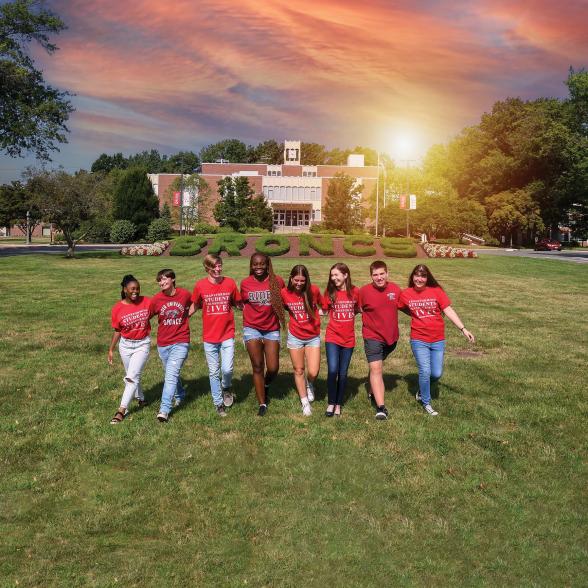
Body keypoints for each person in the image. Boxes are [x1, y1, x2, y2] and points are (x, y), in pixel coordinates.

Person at [398, 264, 475, 416]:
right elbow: (400, 306)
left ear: (427, 278)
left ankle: (422, 388)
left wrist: (463, 329)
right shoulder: (406, 294)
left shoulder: (436, 291)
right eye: (417, 275)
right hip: (418, 339)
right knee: (425, 371)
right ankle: (426, 402)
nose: (419, 279)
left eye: (423, 276)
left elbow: (448, 310)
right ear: (412, 276)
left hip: (438, 339)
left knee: (437, 373)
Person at [191, 254, 241, 417]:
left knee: (227, 369)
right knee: (213, 372)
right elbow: (196, 304)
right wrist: (183, 316)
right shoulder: (200, 286)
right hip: (209, 337)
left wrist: (254, 309)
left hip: (227, 333)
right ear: (207, 268)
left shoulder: (230, 283)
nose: (218, 269)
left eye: (220, 265)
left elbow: (237, 303)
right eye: (215, 266)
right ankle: (218, 403)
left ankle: (226, 387)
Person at [240, 253, 286, 416]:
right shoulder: (245, 283)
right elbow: (241, 303)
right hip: (251, 328)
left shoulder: (277, 281)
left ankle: (265, 384)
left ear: (268, 265)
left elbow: (285, 300)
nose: (258, 267)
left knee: (273, 368)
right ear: (251, 265)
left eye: (261, 264)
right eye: (255, 264)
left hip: (271, 328)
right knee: (258, 366)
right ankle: (262, 403)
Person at [358, 260, 402, 420]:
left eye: (381, 274)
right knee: (377, 369)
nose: (379, 277)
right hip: (372, 336)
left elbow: (406, 306)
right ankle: (381, 407)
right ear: (371, 276)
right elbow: (356, 308)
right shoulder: (363, 292)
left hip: (391, 338)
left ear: (387, 273)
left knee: (375, 367)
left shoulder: (395, 289)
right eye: (375, 275)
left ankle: (371, 384)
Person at [108, 274, 152, 424]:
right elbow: (117, 330)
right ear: (125, 289)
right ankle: (141, 399)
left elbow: (161, 309)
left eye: (138, 289)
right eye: (132, 289)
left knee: (132, 377)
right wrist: (111, 349)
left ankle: (121, 410)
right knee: (132, 375)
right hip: (125, 346)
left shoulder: (147, 302)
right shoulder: (117, 308)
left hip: (142, 344)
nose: (136, 291)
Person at [150, 269, 192, 423]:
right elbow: (146, 315)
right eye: (159, 280)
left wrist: (186, 315)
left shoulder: (185, 294)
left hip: (181, 341)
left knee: (170, 375)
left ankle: (164, 409)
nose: (161, 283)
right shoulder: (156, 300)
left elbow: (196, 302)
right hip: (163, 343)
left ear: (173, 279)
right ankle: (180, 395)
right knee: (171, 373)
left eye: (164, 279)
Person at [280, 264, 322, 416]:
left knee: (313, 371)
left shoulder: (314, 291)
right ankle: (304, 403)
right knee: (299, 370)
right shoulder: (284, 293)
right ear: (291, 278)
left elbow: (323, 305)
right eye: (296, 280)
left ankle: (309, 383)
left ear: (307, 280)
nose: (298, 283)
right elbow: (282, 306)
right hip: (295, 336)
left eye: (302, 280)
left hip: (312, 336)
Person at [323, 263, 360, 417]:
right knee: (332, 370)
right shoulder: (329, 292)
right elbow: (324, 310)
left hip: (348, 339)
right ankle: (331, 402)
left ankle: (338, 404)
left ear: (345, 275)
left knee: (343, 373)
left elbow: (358, 309)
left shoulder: (355, 292)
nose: (334, 278)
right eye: (332, 275)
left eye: (336, 275)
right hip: (332, 337)